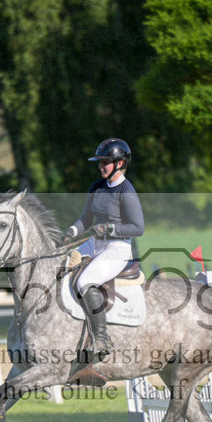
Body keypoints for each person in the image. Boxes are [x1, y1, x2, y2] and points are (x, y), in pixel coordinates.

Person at [62, 138, 144, 364]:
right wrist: (71, 231)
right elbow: (86, 219)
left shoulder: (126, 191)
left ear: (119, 163)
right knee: (62, 266)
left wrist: (110, 228)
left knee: (85, 282)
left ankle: (102, 339)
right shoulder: (97, 187)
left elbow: (138, 228)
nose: (100, 166)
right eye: (99, 162)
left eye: (105, 162)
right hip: (94, 244)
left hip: (117, 248)